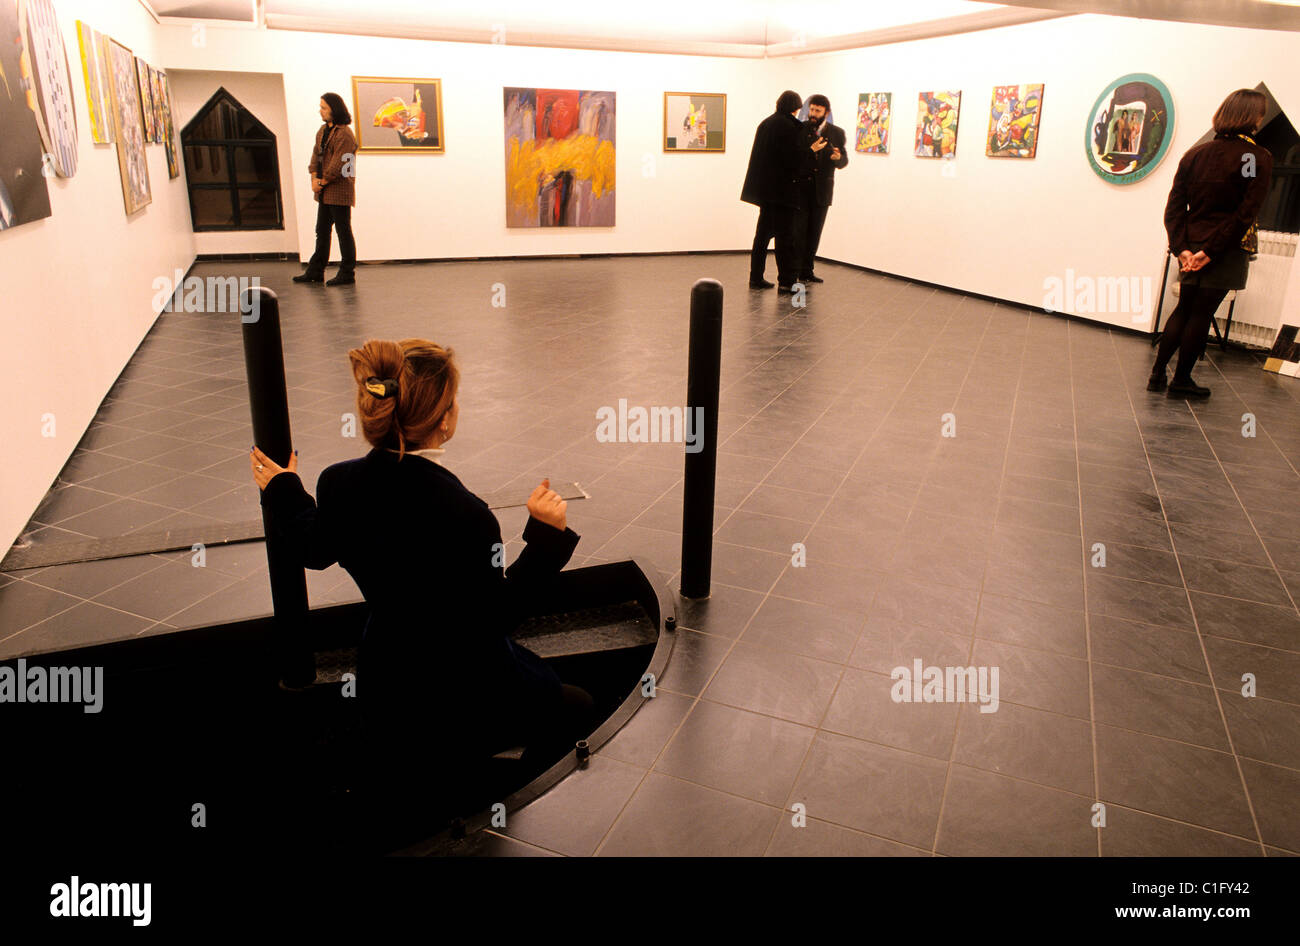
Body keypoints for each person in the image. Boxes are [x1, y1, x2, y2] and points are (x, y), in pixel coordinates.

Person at [248, 339, 594, 810]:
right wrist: (546, 536)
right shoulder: (468, 515)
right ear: (445, 419)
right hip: (466, 686)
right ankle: (509, 797)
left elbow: (314, 548)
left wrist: (285, 487)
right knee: (578, 708)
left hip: (388, 679)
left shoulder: (338, 484)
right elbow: (497, 616)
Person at [1151, 89, 1273, 398]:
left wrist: (1183, 249)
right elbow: (1245, 214)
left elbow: (1175, 207)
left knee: (1184, 309)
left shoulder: (1195, 154)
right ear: (1253, 118)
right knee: (1202, 313)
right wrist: (1211, 252)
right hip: (1225, 248)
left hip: (1192, 245)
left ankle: (1156, 375)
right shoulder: (1257, 157)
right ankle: (1180, 380)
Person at [741, 90, 805, 292]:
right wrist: (810, 151)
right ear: (795, 106)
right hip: (783, 194)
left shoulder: (766, 123)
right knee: (785, 238)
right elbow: (791, 160)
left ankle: (755, 277)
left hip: (766, 193)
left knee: (762, 237)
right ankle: (787, 282)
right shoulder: (788, 127)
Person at [294, 93, 358, 286]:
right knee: (321, 230)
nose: (320, 111)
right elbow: (316, 156)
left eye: (323, 108)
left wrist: (321, 182)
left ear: (334, 109)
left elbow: (340, 163)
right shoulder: (323, 131)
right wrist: (313, 176)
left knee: (343, 231)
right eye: (320, 107)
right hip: (324, 189)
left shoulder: (345, 134)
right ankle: (316, 270)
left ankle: (347, 273)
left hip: (339, 189)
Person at [793, 95, 849, 285]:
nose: (813, 114)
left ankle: (807, 270)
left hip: (822, 191)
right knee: (799, 233)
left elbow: (843, 162)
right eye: (812, 109)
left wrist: (837, 158)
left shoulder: (837, 133)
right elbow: (797, 159)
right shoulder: (801, 130)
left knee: (815, 232)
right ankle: (796, 270)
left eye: (818, 111)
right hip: (802, 189)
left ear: (826, 112)